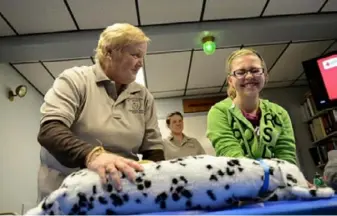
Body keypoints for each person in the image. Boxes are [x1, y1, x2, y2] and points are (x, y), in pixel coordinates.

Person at [37, 23, 164, 201]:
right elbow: (50, 132)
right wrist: (93, 156)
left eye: (142, 56)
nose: (140, 64)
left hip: (121, 195)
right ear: (109, 51)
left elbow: (154, 150)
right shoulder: (75, 80)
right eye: (135, 55)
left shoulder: (143, 96)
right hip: (69, 195)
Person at [206, 48, 297, 165]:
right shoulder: (219, 112)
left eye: (255, 70)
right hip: (240, 181)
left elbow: (287, 158)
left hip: (277, 181)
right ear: (230, 81)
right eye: (240, 72)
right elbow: (231, 155)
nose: (249, 76)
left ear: (265, 76)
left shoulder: (280, 113)